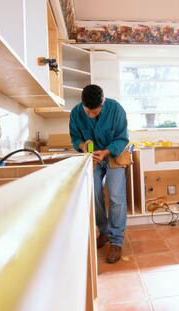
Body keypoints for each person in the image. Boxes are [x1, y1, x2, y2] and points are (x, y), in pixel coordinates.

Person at [69, 84, 129, 264]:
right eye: (88, 112)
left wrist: (106, 152)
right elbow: (75, 137)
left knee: (116, 196)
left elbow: (122, 138)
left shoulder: (116, 109)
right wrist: (82, 145)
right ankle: (103, 232)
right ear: (83, 105)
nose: (91, 115)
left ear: (102, 103)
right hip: (92, 158)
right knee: (94, 195)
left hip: (114, 154)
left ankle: (116, 241)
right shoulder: (76, 113)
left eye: (95, 112)